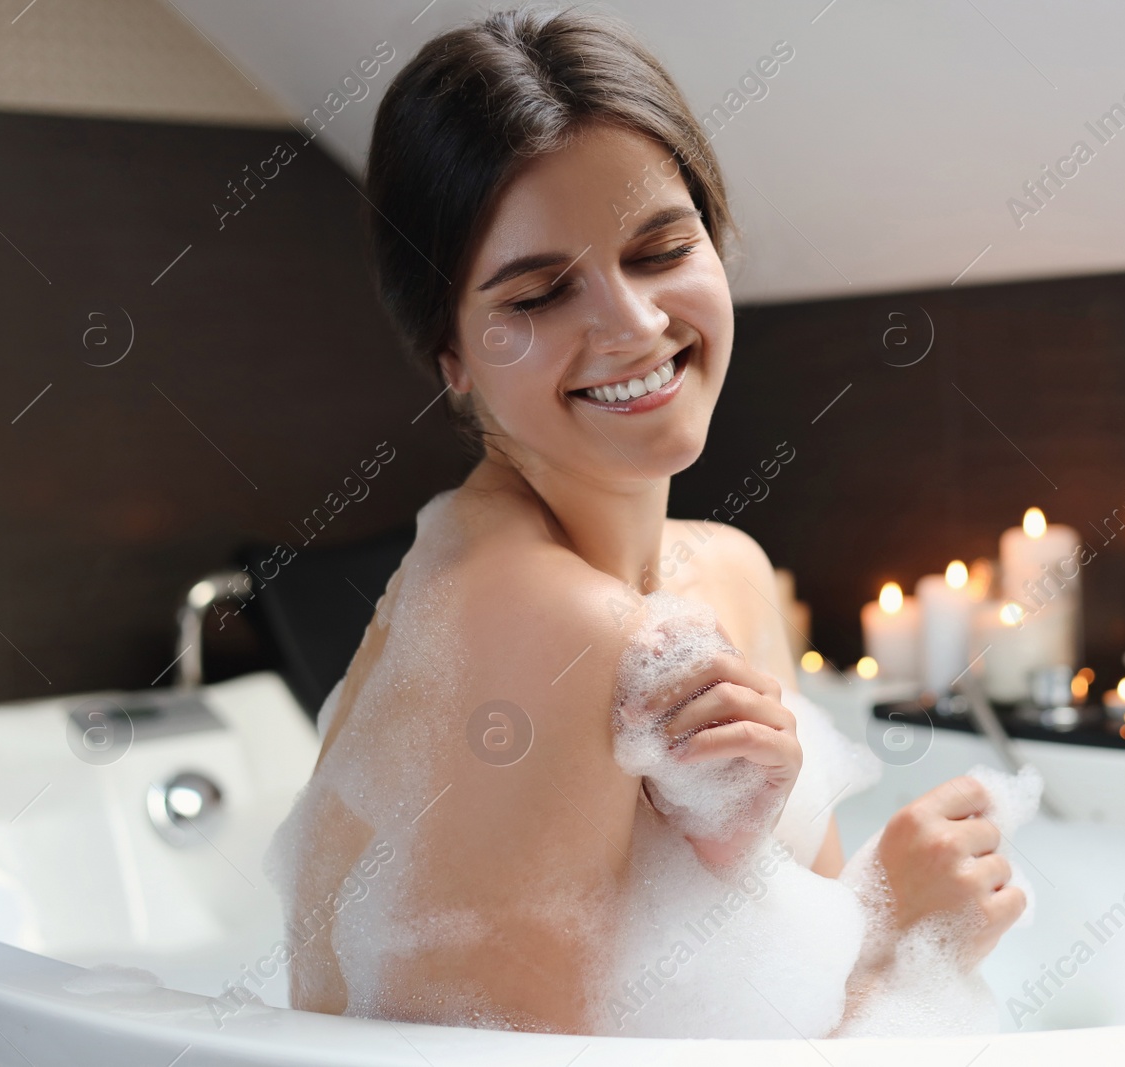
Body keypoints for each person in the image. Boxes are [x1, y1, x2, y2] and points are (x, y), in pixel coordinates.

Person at [269, 4, 1024, 1035]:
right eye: (538, 294)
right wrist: (893, 927)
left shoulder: (725, 573)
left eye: (662, 248)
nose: (633, 326)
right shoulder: (539, 621)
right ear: (450, 352)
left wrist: (859, 914)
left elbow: (776, 994)